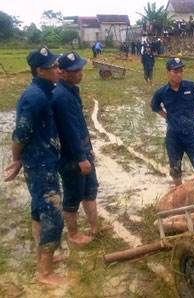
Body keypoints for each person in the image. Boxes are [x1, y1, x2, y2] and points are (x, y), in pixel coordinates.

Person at [4, 47, 66, 286]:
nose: (58, 71)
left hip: (43, 161)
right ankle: (45, 272)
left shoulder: (43, 91)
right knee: (53, 216)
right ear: (40, 71)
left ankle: (43, 257)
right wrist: (17, 159)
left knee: (39, 211)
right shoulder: (36, 96)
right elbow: (21, 132)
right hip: (40, 164)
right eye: (53, 67)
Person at [52, 51, 100, 245]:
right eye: (75, 70)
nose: (80, 73)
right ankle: (73, 234)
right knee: (73, 195)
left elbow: (80, 125)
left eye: (80, 68)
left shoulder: (72, 90)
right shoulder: (60, 97)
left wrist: (88, 148)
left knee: (90, 189)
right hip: (71, 156)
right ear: (62, 72)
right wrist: (81, 158)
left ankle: (95, 226)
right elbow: (69, 131)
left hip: (82, 151)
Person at [151, 58, 194, 186]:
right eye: (175, 71)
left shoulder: (192, 87)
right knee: (175, 168)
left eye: (181, 71)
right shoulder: (161, 92)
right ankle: (178, 191)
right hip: (173, 137)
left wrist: (190, 116)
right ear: (168, 72)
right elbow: (155, 107)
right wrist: (168, 118)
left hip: (191, 135)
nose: (179, 74)